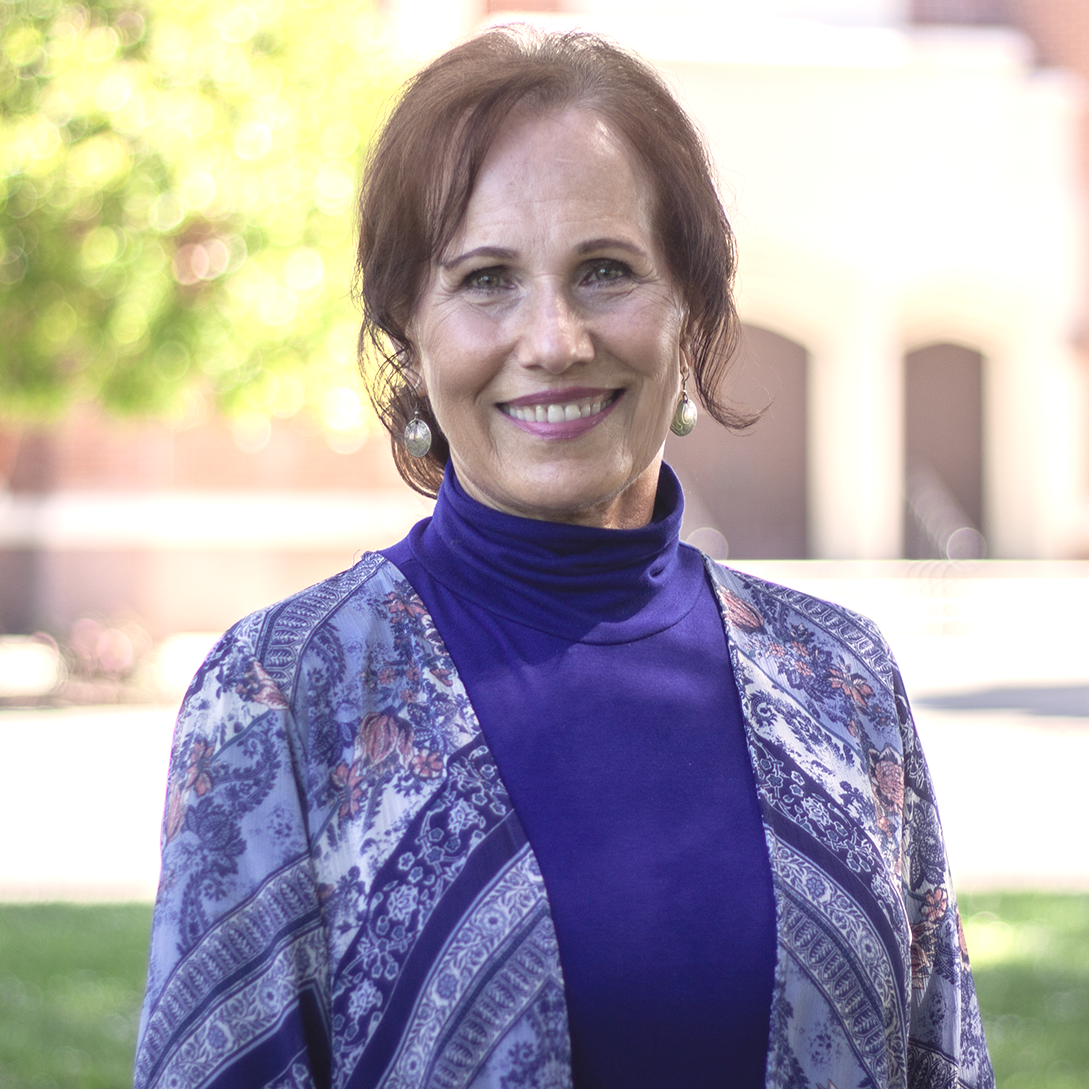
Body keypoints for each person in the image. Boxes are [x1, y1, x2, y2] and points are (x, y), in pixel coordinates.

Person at [134, 26, 994, 1089]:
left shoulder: (843, 682)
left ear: (694, 315)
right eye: (487, 279)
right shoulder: (283, 696)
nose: (553, 339)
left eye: (605, 271)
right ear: (411, 333)